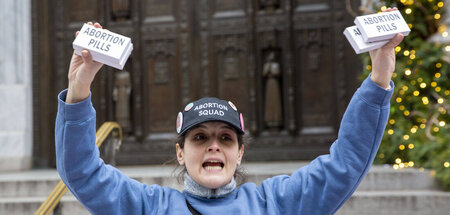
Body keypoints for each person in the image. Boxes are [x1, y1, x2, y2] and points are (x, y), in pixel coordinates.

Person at [55, 8, 404, 215]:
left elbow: (346, 164)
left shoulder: (275, 204)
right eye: (199, 137)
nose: (213, 146)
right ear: (180, 152)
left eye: (225, 137)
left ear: (240, 152)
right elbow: (81, 171)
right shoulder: (151, 206)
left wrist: (380, 76)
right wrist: (80, 85)